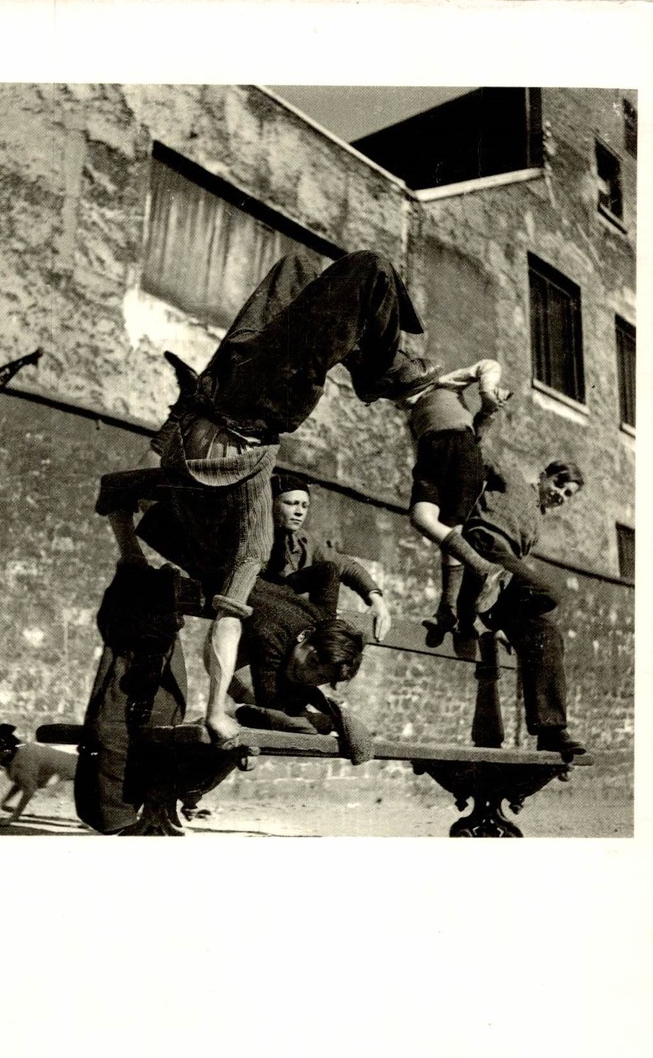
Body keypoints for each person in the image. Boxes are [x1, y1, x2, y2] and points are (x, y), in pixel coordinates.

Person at [98, 249, 436, 747]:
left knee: (370, 267)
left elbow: (229, 625)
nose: (293, 520)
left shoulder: (250, 541)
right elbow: (116, 491)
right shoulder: (275, 567)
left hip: (237, 403)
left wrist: (217, 711)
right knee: (299, 268)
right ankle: (381, 368)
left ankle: (381, 368)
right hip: (225, 408)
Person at [456, 456, 586, 758]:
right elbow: (480, 454)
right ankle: (490, 617)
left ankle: (551, 730)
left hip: (501, 577)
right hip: (484, 546)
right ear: (543, 475)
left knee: (547, 633)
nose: (560, 495)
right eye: (558, 484)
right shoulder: (513, 475)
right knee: (549, 593)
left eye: (567, 495)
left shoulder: (537, 525)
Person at [399, 357, 512, 641]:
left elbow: (487, 365)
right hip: (428, 460)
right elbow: (417, 447)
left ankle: (448, 607)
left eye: (401, 391)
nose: (399, 400)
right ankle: (451, 606)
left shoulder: (444, 384)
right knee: (422, 519)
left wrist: (487, 392)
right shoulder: (411, 417)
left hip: (460, 449)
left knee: (451, 531)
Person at [264, 473, 392, 641]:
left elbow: (346, 566)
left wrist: (376, 600)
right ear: (271, 503)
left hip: (290, 620)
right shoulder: (254, 536)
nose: (299, 512)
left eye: (304, 506)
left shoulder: (303, 541)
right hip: (264, 612)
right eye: (290, 503)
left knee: (329, 569)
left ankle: (323, 631)